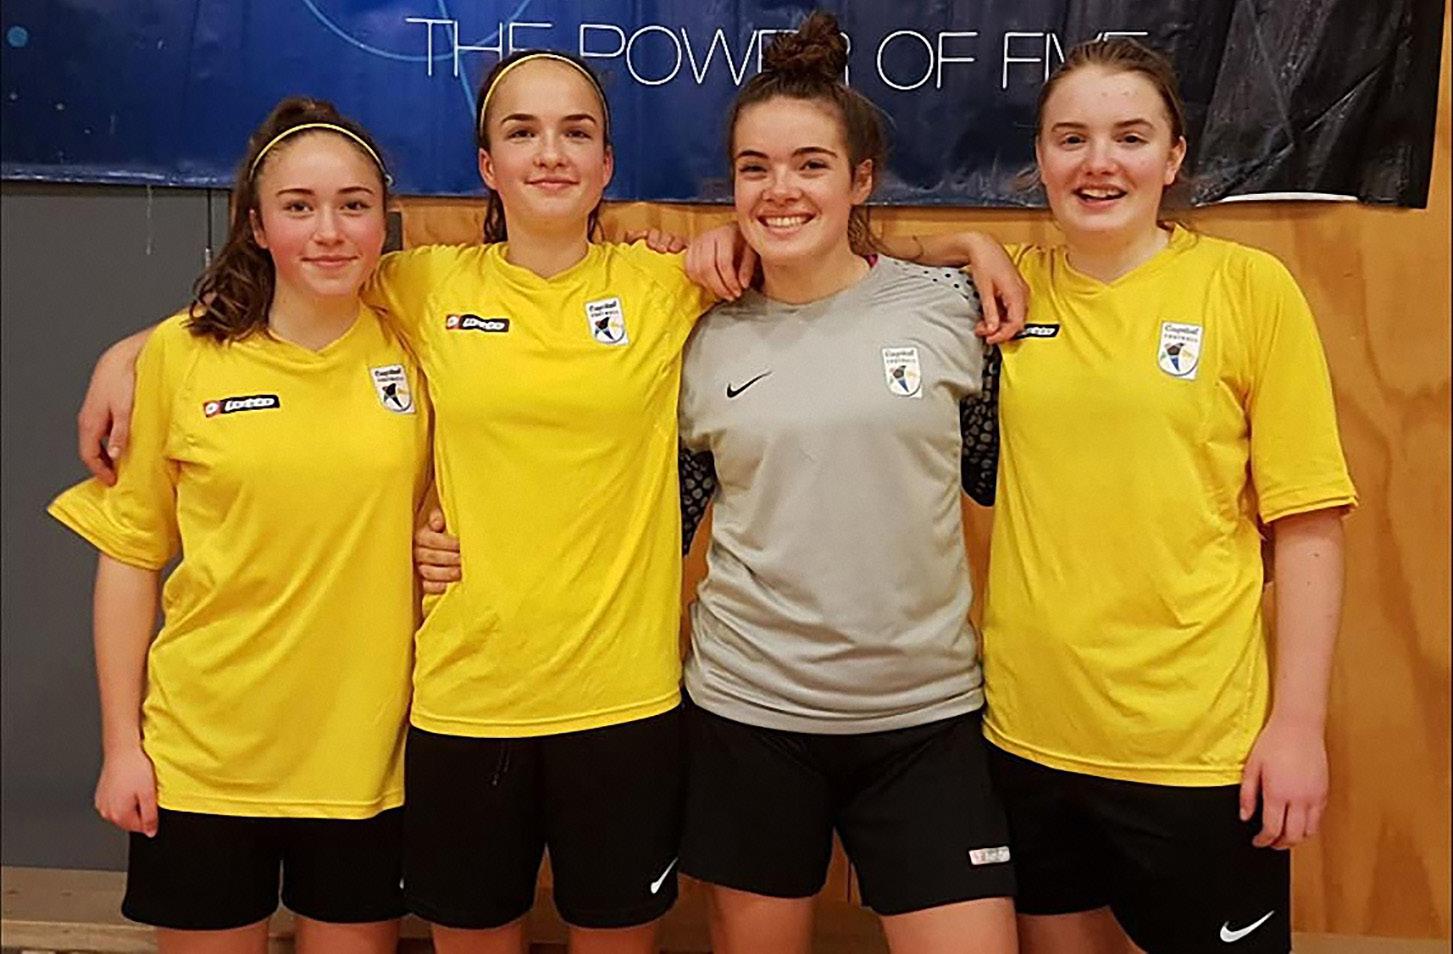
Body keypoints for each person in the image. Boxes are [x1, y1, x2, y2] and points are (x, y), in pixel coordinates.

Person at [70, 49, 1027, 954]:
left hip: (626, 703)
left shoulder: (668, 280)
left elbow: (820, 246)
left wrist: (967, 240)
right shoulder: (421, 284)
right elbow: (296, 287)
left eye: (575, 132)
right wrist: (139, 352)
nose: (550, 152)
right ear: (487, 165)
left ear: (607, 163)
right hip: (465, 701)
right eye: (522, 132)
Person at [980, 39, 1357, 954]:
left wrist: (1297, 726)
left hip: (1195, 745)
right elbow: (854, 250)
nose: (1097, 163)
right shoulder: (1008, 293)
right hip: (1027, 734)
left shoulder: (1246, 288)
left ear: (1173, 156)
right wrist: (965, 241)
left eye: (1129, 137)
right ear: (1039, 158)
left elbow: (1307, 521)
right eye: (1070, 138)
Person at [48, 98, 429, 953]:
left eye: (353, 205)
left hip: (364, 763)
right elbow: (130, 555)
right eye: (298, 206)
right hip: (204, 759)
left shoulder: (417, 344)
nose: (328, 231)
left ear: (384, 221)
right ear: (257, 227)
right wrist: (122, 747)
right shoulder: (181, 359)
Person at [672, 15, 1018, 954]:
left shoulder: (951, 307)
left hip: (926, 719)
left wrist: (968, 241)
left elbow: (1003, 482)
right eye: (753, 168)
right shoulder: (696, 335)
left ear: (861, 178)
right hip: (749, 716)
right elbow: (649, 521)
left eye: (810, 164)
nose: (780, 189)